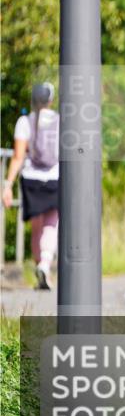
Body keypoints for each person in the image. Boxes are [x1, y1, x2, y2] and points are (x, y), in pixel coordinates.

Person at [2, 83, 60, 290]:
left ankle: (40, 273)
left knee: (36, 227)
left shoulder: (24, 121)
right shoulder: (60, 121)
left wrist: (7, 185)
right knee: (51, 224)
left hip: (31, 178)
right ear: (50, 100)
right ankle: (45, 264)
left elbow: (18, 156)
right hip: (54, 177)